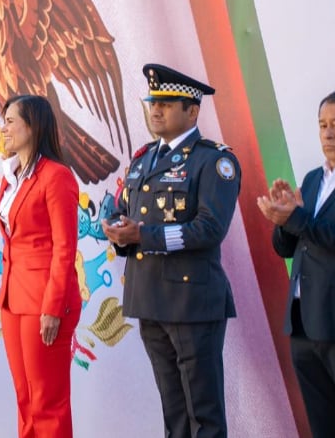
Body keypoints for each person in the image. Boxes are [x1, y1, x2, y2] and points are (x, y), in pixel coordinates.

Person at [102, 64, 240, 438]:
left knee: (203, 416)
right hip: (150, 298)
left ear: (192, 111)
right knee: (173, 412)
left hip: (191, 301)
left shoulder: (213, 160)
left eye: (166, 102)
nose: (156, 110)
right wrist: (116, 228)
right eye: (153, 102)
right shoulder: (144, 157)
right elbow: (125, 208)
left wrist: (144, 236)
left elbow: (210, 229)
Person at [257, 89, 335, 438]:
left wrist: (298, 218)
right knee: (323, 425)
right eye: (322, 125)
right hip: (304, 323)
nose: (328, 133)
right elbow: (289, 249)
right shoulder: (312, 178)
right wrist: (283, 220)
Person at [0, 95, 81, 437]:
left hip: (45, 302)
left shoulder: (56, 176)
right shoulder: (12, 174)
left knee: (47, 401)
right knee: (25, 397)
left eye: (11, 121)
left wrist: (53, 306)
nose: (4, 128)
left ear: (33, 126)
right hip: (13, 298)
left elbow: (65, 247)